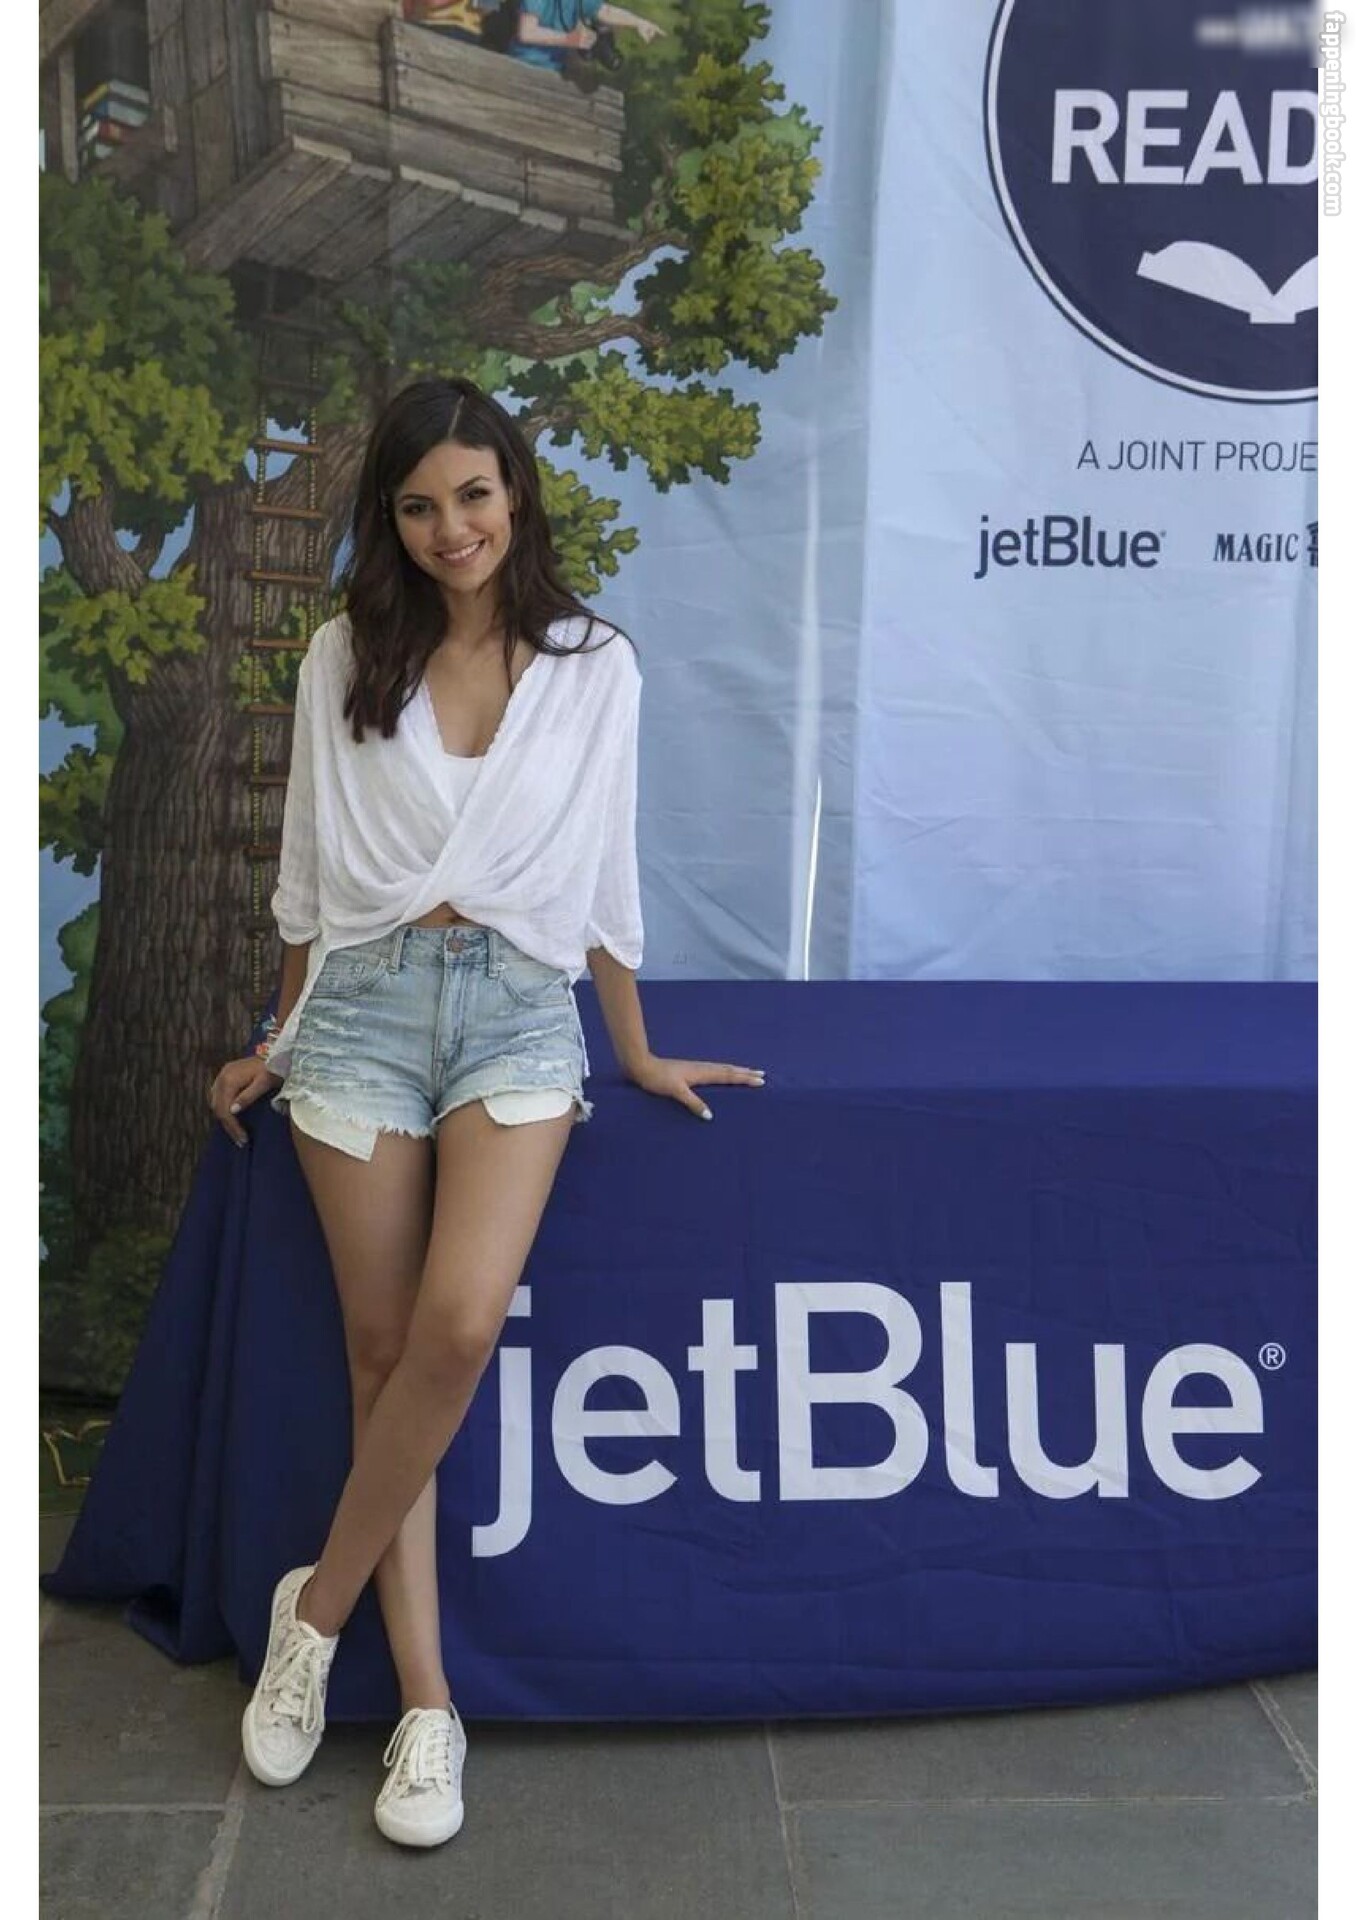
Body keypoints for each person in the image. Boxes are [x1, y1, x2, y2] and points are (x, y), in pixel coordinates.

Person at [206, 375, 764, 1849]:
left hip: (517, 1009)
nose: (451, 528)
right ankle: (428, 1708)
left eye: (472, 493)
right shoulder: (346, 651)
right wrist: (281, 1033)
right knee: (381, 1350)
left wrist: (633, 1049)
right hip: (363, 1009)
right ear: (388, 520)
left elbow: (604, 870)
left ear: (513, 489)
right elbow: (309, 865)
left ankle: (312, 1615)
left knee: (454, 1331)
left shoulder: (594, 665)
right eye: (417, 506)